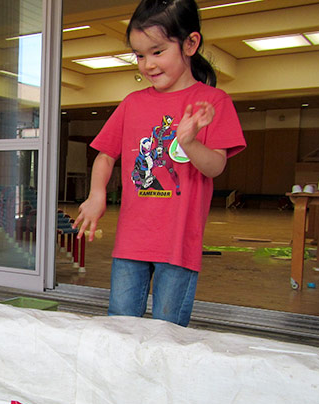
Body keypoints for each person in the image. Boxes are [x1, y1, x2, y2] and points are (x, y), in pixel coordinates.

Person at [73, 0, 246, 327]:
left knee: (167, 335)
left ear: (190, 44)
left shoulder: (212, 102)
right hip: (131, 242)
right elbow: (106, 154)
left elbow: (215, 167)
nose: (147, 64)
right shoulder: (132, 103)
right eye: (139, 55)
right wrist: (97, 195)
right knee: (120, 328)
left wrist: (189, 141)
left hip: (179, 245)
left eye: (157, 51)